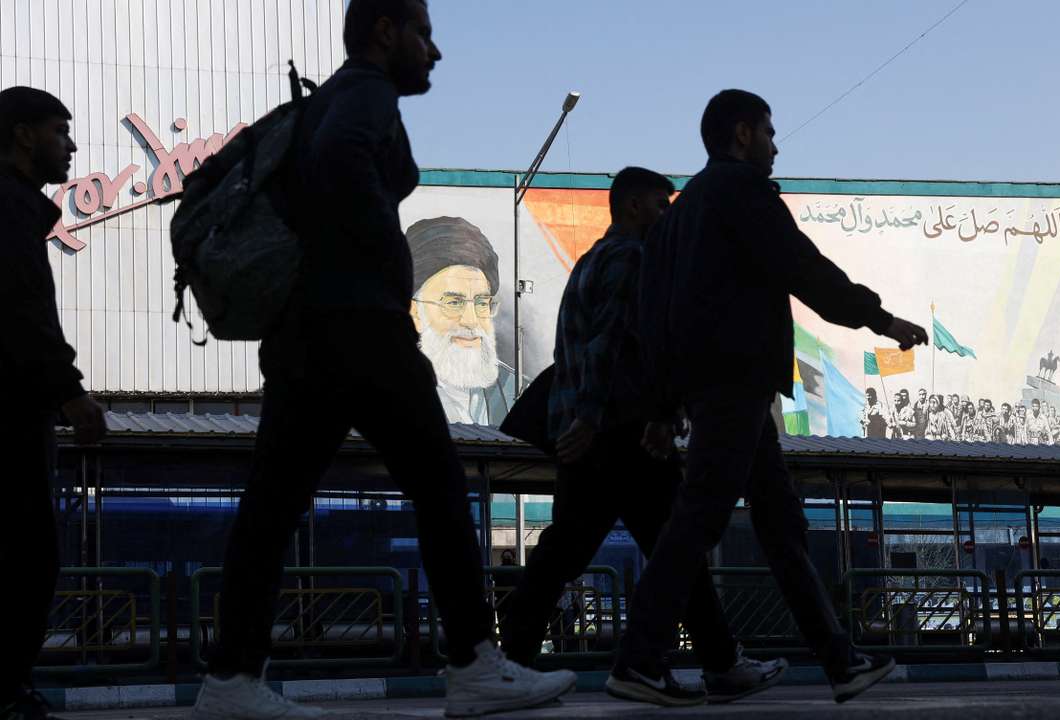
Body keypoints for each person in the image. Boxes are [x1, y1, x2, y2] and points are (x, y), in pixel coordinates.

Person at [191, 3, 575, 719]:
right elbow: (342, 164)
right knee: (437, 487)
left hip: (305, 333)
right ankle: (473, 666)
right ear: (384, 32)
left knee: (271, 507)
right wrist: (381, 276)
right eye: (424, 32)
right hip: (359, 329)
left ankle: (231, 680)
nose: (435, 52)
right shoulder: (364, 90)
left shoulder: (328, 99)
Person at [621, 89, 927, 706]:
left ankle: (841, 662)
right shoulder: (742, 191)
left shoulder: (678, 217)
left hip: (720, 386)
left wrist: (661, 406)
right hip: (735, 381)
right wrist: (880, 320)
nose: (775, 144)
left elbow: (650, 318)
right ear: (741, 135)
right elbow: (803, 268)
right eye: (768, 131)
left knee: (781, 525)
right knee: (700, 517)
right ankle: (637, 660)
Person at [498, 168, 786, 704]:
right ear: (632, 206)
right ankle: (698, 665)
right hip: (618, 434)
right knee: (676, 549)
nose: (666, 215)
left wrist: (586, 419)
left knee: (574, 552)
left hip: (595, 435)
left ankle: (511, 662)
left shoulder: (588, 262)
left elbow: (577, 354)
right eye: (660, 204)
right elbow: (613, 346)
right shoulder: (633, 260)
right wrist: (594, 418)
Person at [0, 86, 107, 720]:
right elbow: (24, 312)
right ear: (22, 136)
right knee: (30, 558)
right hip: (11, 414)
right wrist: (70, 392)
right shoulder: (11, 211)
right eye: (59, 131)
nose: (70, 145)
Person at [405, 216, 516, 425]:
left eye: (482, 303)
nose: (471, 321)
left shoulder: (515, 390)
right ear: (415, 312)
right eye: (454, 303)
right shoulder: (382, 389)